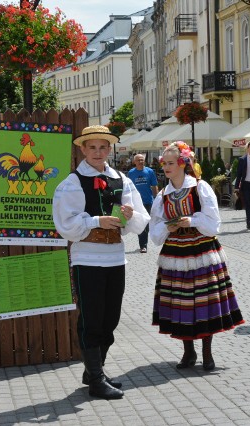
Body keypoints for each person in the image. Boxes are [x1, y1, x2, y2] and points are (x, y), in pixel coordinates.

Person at [53, 125, 150, 400]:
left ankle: (93, 370)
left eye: (103, 147)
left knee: (110, 319)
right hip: (87, 257)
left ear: (110, 149)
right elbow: (65, 223)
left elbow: (141, 218)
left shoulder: (121, 178)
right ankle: (95, 379)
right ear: (82, 149)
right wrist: (96, 221)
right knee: (92, 319)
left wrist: (129, 215)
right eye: (92, 147)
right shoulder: (72, 182)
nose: (98, 152)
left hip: (115, 257)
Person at [150, 141, 244, 371]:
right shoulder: (163, 195)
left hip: (201, 250)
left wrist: (191, 221)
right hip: (175, 254)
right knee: (180, 302)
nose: (166, 167)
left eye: (171, 163)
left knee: (205, 301)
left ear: (183, 163)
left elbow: (214, 224)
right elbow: (155, 231)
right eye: (164, 163)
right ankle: (188, 352)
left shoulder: (200, 188)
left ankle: (207, 353)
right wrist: (167, 228)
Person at [128, 153, 159, 253]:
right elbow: (127, 188)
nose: (140, 162)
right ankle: (143, 245)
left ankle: (144, 241)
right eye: (138, 160)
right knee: (141, 223)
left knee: (147, 223)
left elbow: (154, 186)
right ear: (134, 162)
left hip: (148, 201)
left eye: (142, 160)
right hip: (137, 202)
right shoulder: (131, 173)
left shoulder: (149, 171)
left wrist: (158, 199)